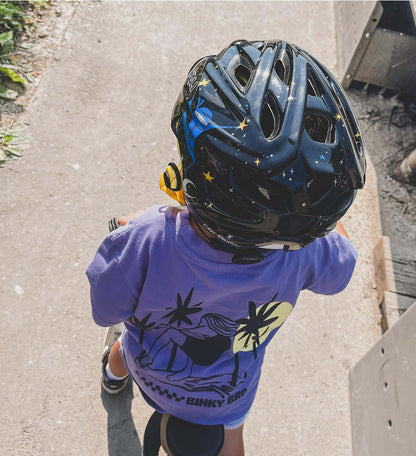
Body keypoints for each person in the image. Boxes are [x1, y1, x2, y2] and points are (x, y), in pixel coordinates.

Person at [87, 39, 366, 456]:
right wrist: (314, 214)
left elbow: (106, 310)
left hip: (150, 370)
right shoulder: (309, 251)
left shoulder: (144, 239)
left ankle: (113, 379)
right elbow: (342, 269)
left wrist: (128, 233)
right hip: (226, 396)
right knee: (231, 441)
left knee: (124, 345)